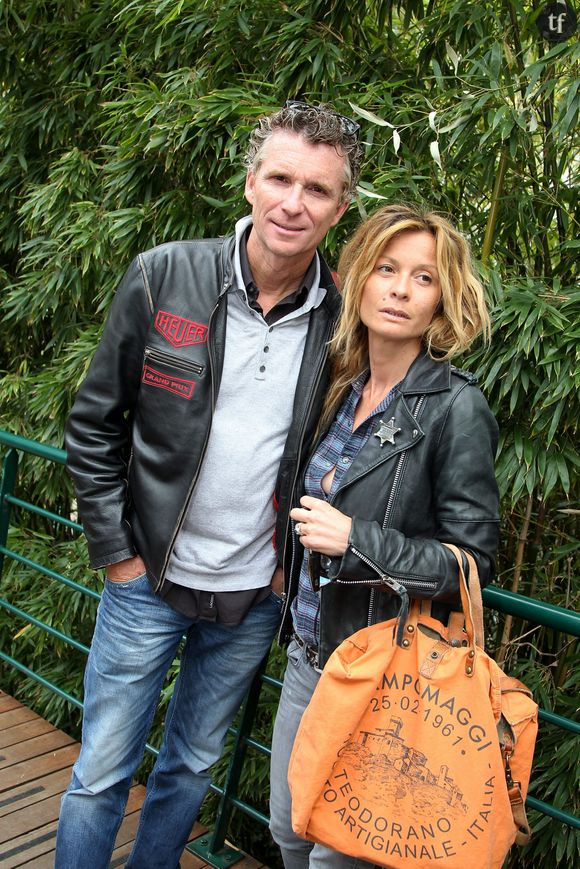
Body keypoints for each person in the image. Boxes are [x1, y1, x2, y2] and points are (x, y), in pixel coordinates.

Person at [56, 101, 362, 869]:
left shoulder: (347, 319)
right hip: (145, 581)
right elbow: (94, 419)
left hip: (253, 595)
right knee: (98, 773)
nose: (295, 203)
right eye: (281, 178)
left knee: (190, 766)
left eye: (318, 189)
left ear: (341, 205)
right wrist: (117, 555)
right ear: (251, 182)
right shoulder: (167, 274)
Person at [269, 203, 500, 869]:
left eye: (423, 277)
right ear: (358, 279)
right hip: (311, 659)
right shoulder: (340, 387)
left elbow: (470, 563)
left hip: (384, 672)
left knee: (335, 856)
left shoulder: (456, 406)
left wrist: (356, 538)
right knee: (289, 830)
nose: (400, 289)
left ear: (443, 299)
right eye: (387, 268)